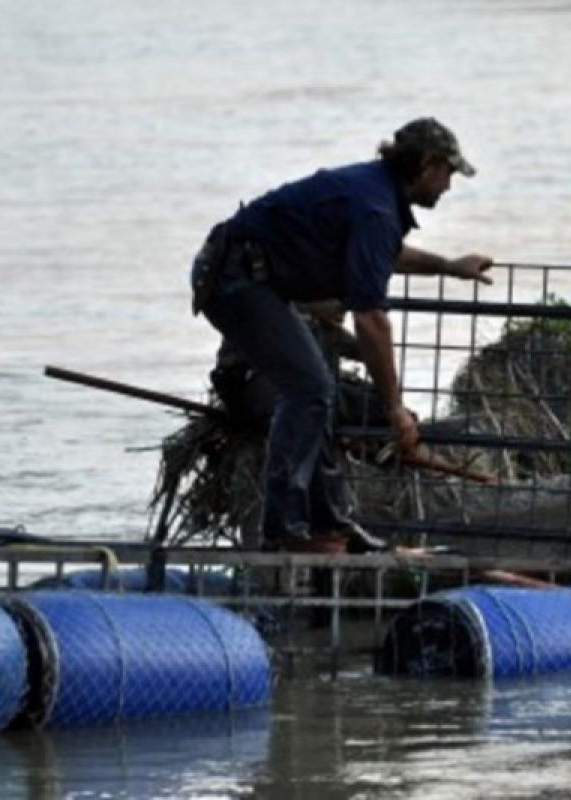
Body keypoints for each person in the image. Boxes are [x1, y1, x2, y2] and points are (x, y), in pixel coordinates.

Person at [190, 118, 492, 553]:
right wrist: (395, 409)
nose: (448, 185)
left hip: (253, 278)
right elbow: (371, 320)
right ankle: (287, 530)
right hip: (236, 279)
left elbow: (385, 252)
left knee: (316, 390)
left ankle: (329, 525)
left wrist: (448, 266)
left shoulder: (376, 196)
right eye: (449, 172)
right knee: (309, 387)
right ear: (427, 165)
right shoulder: (375, 206)